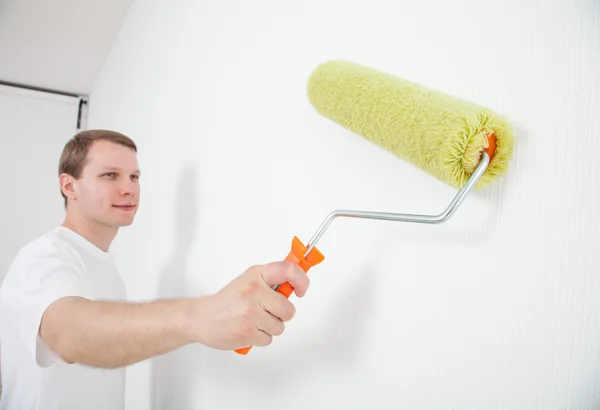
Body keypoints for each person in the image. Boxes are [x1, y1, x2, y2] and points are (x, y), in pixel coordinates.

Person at [0, 130, 309, 410]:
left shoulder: (105, 266)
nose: (129, 189)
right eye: (110, 175)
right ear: (70, 186)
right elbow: (66, 333)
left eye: (134, 177)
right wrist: (201, 315)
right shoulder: (45, 257)